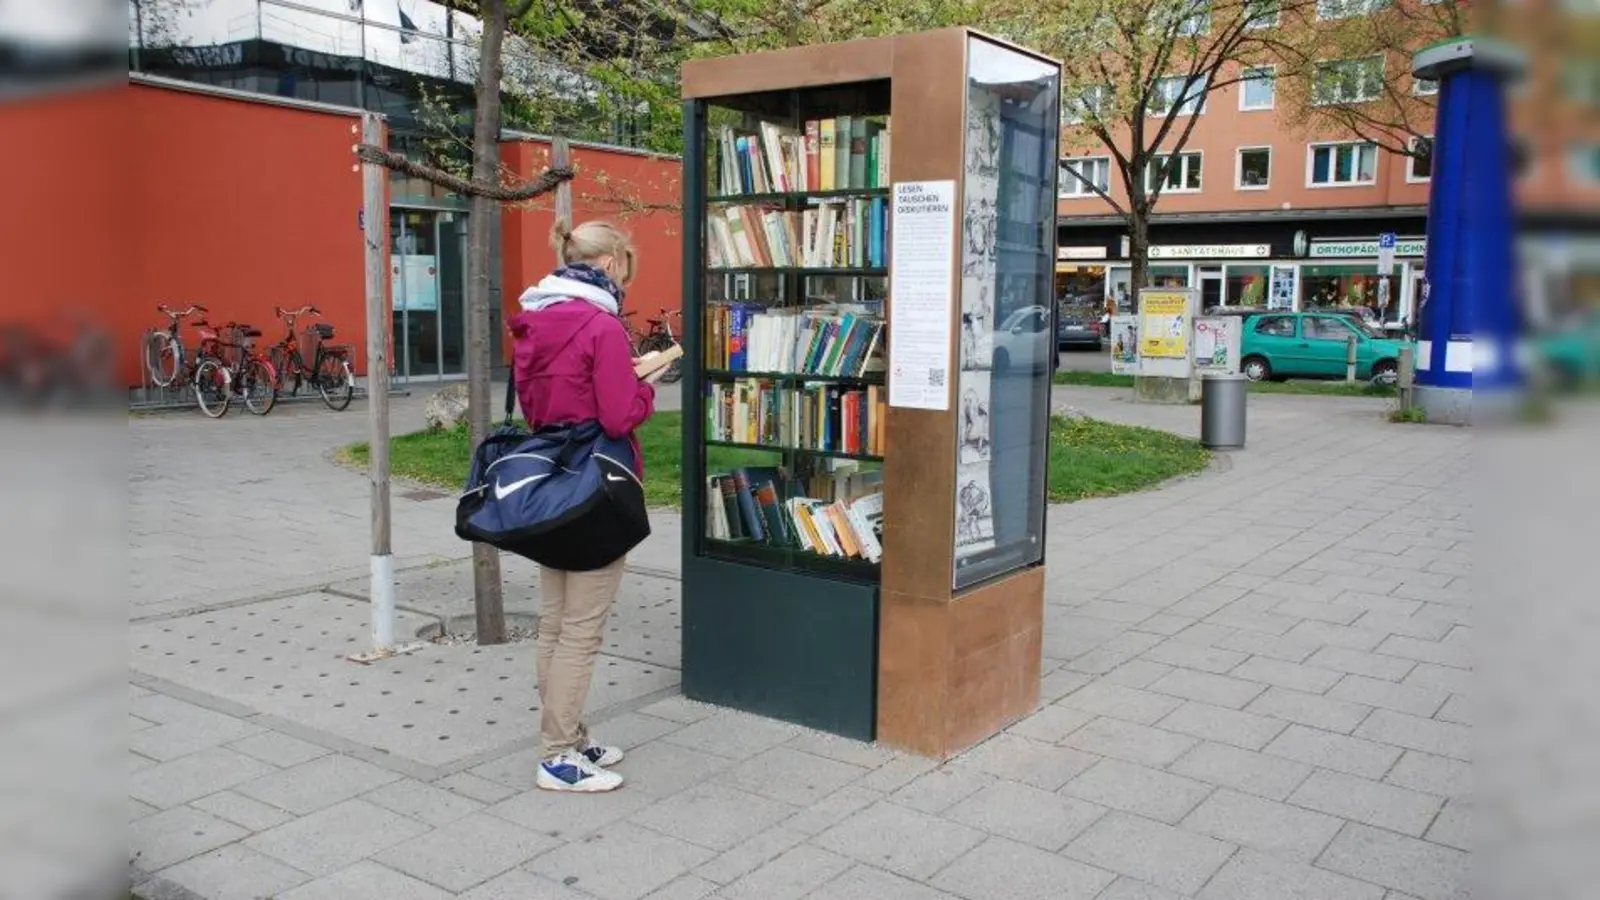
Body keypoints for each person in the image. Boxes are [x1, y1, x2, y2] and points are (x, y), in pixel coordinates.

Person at [509, 217, 654, 793]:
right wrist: (646, 382)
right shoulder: (602, 325)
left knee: (555, 621)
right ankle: (556, 757)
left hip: (551, 482)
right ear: (613, 263)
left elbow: (536, 405)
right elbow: (619, 415)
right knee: (582, 629)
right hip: (596, 487)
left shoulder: (535, 318)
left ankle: (571, 736)